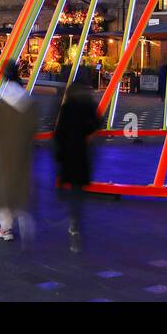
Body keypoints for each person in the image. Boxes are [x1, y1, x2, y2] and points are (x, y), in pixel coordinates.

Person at [0, 61, 38, 241]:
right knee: (19, 184)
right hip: (23, 150)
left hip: (4, 150)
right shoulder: (27, 98)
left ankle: (5, 228)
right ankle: (21, 214)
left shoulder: (0, 96)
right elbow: (33, 127)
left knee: (3, 187)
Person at [53, 77, 99, 252]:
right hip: (82, 154)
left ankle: (72, 218)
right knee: (78, 191)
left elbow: (59, 132)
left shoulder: (67, 107)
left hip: (68, 153)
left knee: (72, 188)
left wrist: (58, 152)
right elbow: (96, 124)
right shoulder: (89, 106)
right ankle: (75, 222)